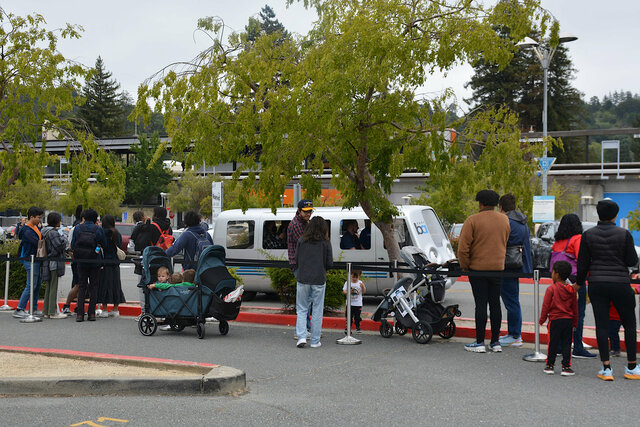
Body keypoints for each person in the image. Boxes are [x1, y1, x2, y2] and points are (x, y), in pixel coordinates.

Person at [576, 199, 640, 381]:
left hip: (596, 283)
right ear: (615, 215)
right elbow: (631, 261)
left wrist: (579, 283)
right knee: (629, 324)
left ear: (598, 214)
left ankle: (606, 368)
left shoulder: (588, 235)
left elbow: (583, 264)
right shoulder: (624, 234)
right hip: (621, 283)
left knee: (602, 325)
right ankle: (632, 366)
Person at [457, 190, 510, 353]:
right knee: (495, 304)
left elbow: (463, 249)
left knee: (481, 304)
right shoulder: (504, 220)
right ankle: (495, 342)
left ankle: (480, 341)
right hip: (498, 268)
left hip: (478, 269)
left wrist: (465, 266)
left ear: (480, 203)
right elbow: (505, 240)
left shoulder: (472, 220)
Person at [551, 213, 596, 359]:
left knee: (560, 313)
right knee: (577, 315)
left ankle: (558, 346)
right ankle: (577, 346)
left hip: (558, 281)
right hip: (574, 280)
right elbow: (582, 261)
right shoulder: (577, 239)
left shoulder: (557, 241)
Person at [498, 194, 532, 348]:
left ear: (501, 207)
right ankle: (513, 333)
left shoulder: (506, 221)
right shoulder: (522, 222)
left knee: (510, 301)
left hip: (507, 264)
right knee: (513, 299)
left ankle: (515, 335)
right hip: (518, 263)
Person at [294, 216, 333, 348]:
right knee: (317, 310)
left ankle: (301, 337)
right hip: (319, 279)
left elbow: (296, 260)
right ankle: (315, 341)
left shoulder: (301, 240)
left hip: (303, 278)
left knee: (302, 309)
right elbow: (329, 263)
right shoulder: (325, 243)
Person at [540, 261, 577, 376]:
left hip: (555, 320)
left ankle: (550, 365)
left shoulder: (551, 289)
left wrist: (542, 319)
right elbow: (575, 308)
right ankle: (566, 366)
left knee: (553, 343)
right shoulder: (572, 291)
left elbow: (546, 305)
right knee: (567, 343)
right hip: (568, 321)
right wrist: (575, 322)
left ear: (556, 275)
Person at [71, 209, 107, 322]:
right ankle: (91, 314)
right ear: (95, 218)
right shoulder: (98, 229)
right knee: (94, 286)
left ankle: (80, 314)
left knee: (82, 286)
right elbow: (104, 244)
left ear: (84, 217)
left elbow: (73, 244)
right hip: (95, 261)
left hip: (81, 261)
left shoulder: (78, 228)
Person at [13, 206, 45, 318]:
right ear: (31, 217)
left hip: (36, 259)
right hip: (29, 259)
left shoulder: (35, 227)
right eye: (38, 217)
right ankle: (19, 308)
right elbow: (37, 243)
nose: (40, 220)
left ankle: (33, 308)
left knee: (36, 285)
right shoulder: (27, 230)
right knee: (31, 285)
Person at [96, 215, 126, 318]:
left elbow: (99, 246)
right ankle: (115, 309)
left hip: (105, 262)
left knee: (104, 285)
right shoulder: (117, 233)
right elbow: (120, 246)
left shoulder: (101, 233)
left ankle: (104, 309)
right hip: (115, 262)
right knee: (116, 284)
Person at [40, 212, 69, 319]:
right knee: (54, 287)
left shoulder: (45, 231)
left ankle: (46, 310)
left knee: (49, 287)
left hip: (48, 262)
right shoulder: (53, 233)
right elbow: (60, 246)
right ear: (56, 221)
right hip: (54, 263)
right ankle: (53, 312)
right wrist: (65, 235)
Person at [62, 205, 83, 315]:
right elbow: (70, 245)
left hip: (82, 260)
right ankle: (67, 305)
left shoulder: (77, 226)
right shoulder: (76, 228)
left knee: (81, 285)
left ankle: (79, 307)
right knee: (78, 284)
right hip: (77, 260)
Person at [287, 199, 314, 274]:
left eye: (310, 211)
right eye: (306, 211)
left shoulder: (304, 222)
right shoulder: (296, 225)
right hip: (300, 265)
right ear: (299, 211)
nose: (309, 214)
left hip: (304, 264)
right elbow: (306, 245)